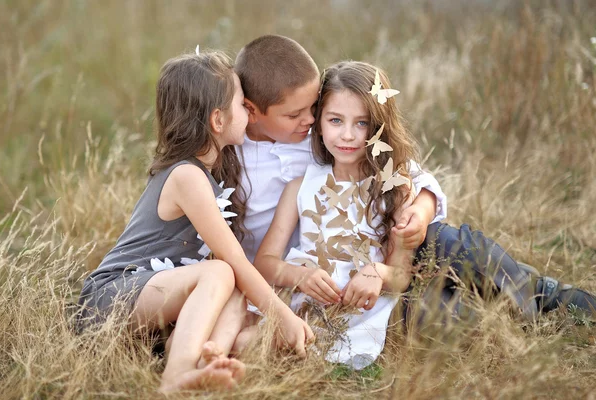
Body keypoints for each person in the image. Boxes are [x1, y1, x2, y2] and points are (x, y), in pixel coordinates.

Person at [255, 61, 596, 366]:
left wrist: (376, 271)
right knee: (464, 318)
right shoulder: (300, 186)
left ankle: (558, 306)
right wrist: (297, 275)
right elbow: (265, 262)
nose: (347, 134)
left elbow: (399, 276)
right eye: (335, 120)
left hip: (387, 306)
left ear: (377, 127)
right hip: (341, 318)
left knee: (470, 257)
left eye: (361, 123)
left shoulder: (393, 185)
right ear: (319, 123)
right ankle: (534, 307)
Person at [76, 50, 314, 393]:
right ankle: (175, 378)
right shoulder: (187, 176)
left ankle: (205, 360)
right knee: (224, 271)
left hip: (157, 301)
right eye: (241, 104)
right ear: (218, 120)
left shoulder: (208, 173)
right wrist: (282, 314)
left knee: (235, 291)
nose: (248, 111)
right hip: (110, 298)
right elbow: (232, 258)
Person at [234, 34, 445, 269]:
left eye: (314, 107)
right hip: (276, 274)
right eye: (294, 114)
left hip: (367, 268)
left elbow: (410, 174)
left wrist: (421, 211)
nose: (310, 119)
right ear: (251, 111)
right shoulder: (231, 154)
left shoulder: (317, 136)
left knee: (448, 243)